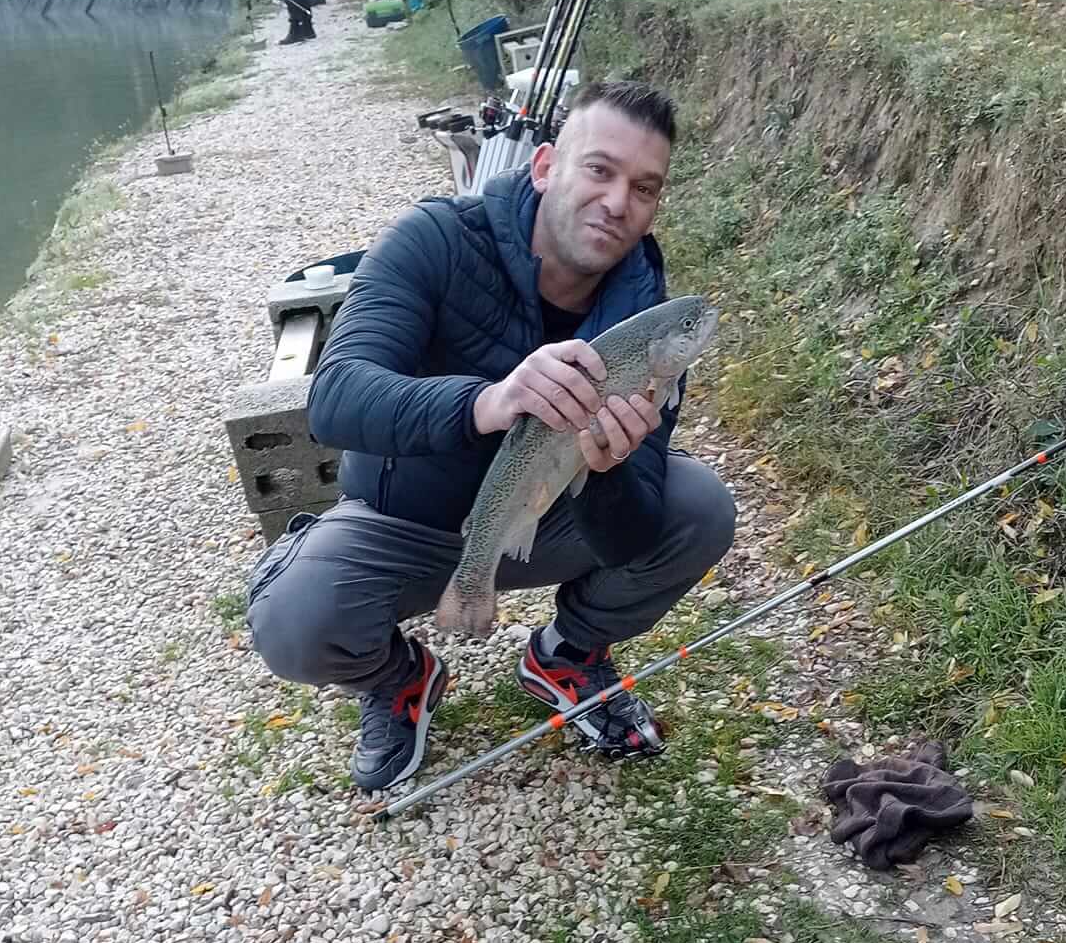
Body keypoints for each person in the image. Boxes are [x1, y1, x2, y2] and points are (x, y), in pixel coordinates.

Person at [245, 79, 737, 793]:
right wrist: (488, 400)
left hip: (545, 518)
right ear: (544, 167)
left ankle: (567, 654)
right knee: (294, 620)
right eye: (599, 170)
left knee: (699, 508)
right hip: (404, 521)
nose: (618, 203)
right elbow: (335, 396)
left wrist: (609, 469)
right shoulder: (434, 240)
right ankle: (401, 679)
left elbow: (630, 535)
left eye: (645, 187)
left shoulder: (649, 319)